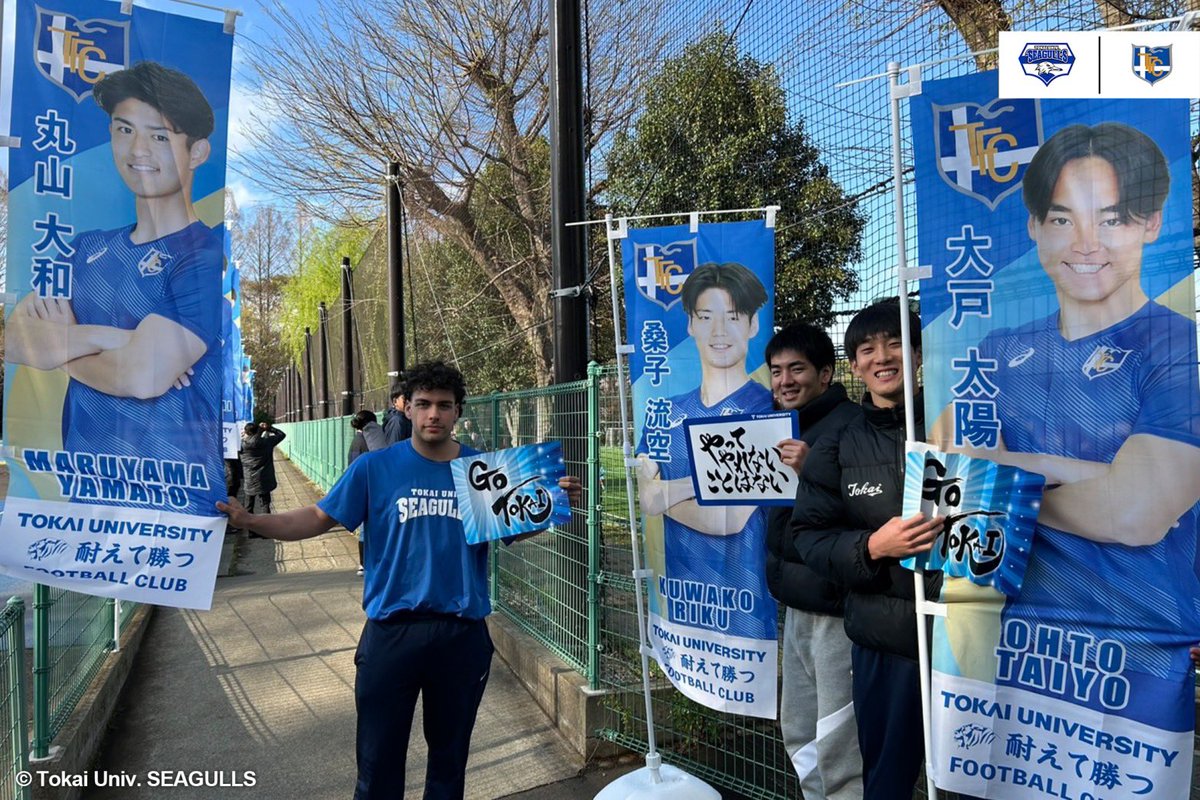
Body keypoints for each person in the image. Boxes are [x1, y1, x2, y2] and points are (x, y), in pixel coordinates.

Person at [218, 361, 581, 800]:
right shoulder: (375, 468)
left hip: (461, 634)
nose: (433, 415)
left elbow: (515, 530)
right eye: (423, 404)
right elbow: (316, 518)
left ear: (458, 412)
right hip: (391, 633)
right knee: (377, 764)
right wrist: (252, 520)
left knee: (449, 764)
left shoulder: (480, 473)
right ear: (405, 408)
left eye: (444, 406)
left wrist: (549, 505)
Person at [953, 122, 1200, 710]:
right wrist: (1097, 476)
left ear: (1151, 223)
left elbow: (1138, 514)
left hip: (1137, 646)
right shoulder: (993, 353)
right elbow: (950, 481)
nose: (1086, 243)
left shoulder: (1177, 347)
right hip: (1013, 636)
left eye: (1112, 218)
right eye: (1063, 219)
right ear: (1035, 227)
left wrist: (1008, 476)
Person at [5, 61, 223, 515]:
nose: (137, 149)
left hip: (169, 497)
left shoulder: (200, 256)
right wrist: (117, 340)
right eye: (124, 130)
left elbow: (142, 378)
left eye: (159, 136)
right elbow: (15, 340)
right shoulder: (84, 249)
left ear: (197, 151)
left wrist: (59, 348)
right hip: (85, 489)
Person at [791, 299, 943, 800]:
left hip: (965, 635)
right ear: (854, 365)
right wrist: (873, 546)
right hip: (885, 642)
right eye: (868, 349)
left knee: (971, 776)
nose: (883, 357)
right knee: (886, 779)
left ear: (920, 354)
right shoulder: (838, 443)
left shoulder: (960, 423)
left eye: (896, 343)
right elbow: (808, 538)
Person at [635, 261, 775, 639]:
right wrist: (709, 484)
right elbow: (646, 498)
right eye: (706, 316)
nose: (719, 331)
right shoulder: (666, 410)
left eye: (731, 317)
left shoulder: (766, 409)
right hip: (680, 597)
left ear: (752, 324)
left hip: (746, 601)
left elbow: (726, 517)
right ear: (690, 324)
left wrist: (668, 491)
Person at [763, 323, 863, 799]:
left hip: (837, 609)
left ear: (826, 373)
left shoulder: (853, 425)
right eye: (777, 370)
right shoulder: (776, 427)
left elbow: (872, 509)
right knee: (799, 729)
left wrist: (812, 470)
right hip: (796, 601)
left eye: (796, 369)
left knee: (839, 738)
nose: (784, 380)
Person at [348, 410, 387, 575]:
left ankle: (363, 563)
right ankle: (366, 563)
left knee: (365, 529)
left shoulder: (355, 441)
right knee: (369, 529)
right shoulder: (369, 441)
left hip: (360, 489)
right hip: (372, 489)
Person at [240, 422, 286, 516]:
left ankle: (250, 528)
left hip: (249, 479)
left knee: (248, 505)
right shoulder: (267, 442)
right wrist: (268, 428)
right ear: (258, 431)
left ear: (246, 432)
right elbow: (281, 434)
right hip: (264, 478)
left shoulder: (241, 445)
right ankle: (266, 527)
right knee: (265, 504)